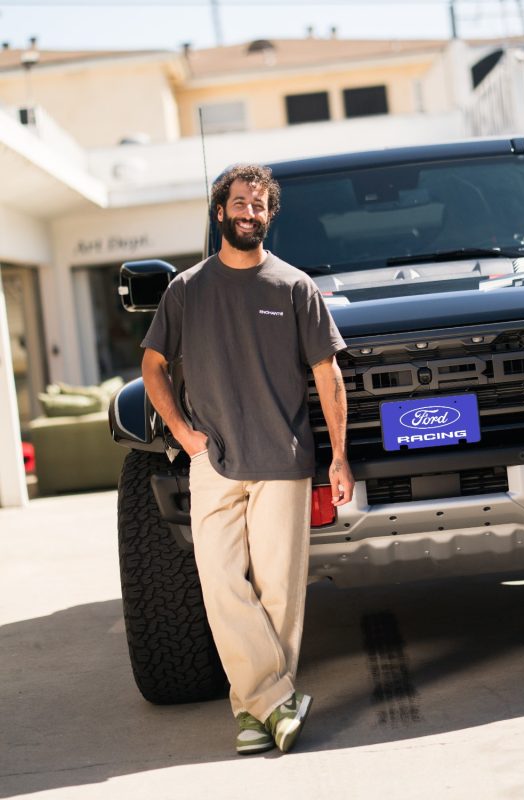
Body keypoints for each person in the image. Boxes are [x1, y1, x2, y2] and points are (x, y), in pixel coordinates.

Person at [140, 164, 354, 755]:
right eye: (240, 203)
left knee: (279, 589)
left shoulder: (294, 286)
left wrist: (339, 456)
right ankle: (278, 700)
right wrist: (183, 434)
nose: (249, 212)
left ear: (268, 215)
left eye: (259, 205)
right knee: (220, 583)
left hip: (283, 458)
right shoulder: (186, 289)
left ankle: (255, 714)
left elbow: (327, 373)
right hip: (213, 459)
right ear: (220, 212)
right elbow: (153, 365)